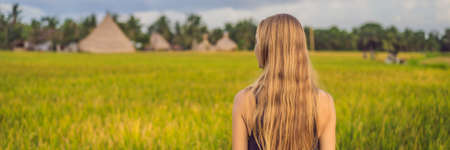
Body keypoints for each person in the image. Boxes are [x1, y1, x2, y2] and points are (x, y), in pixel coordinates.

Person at [232, 14, 336, 150]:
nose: (255, 49)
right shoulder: (324, 102)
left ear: (268, 48)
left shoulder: (244, 100)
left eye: (257, 41)